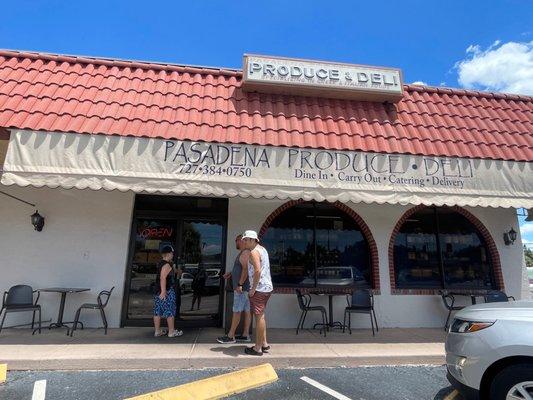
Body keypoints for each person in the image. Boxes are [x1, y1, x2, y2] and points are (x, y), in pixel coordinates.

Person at [241, 230, 273, 356]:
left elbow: (258, 271)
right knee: (261, 315)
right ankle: (264, 343)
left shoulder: (253, 252)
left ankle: (257, 348)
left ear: (252, 240)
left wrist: (253, 289)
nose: (244, 242)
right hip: (266, 287)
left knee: (259, 317)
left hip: (259, 289)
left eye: (246, 239)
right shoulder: (262, 249)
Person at [217, 234, 252, 344]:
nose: (235, 242)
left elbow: (246, 270)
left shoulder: (245, 252)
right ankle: (245, 335)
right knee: (246, 311)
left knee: (237, 311)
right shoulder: (243, 253)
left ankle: (231, 336)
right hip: (244, 288)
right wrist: (231, 274)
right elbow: (241, 269)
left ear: (241, 240)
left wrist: (239, 284)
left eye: (236, 240)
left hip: (242, 288)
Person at [153, 245, 183, 338]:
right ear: (168, 254)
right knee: (170, 310)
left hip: (158, 290)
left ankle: (157, 331)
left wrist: (176, 269)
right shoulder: (166, 265)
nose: (173, 255)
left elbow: (177, 272)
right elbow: (163, 278)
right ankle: (171, 331)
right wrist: (163, 291)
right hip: (167, 291)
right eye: (172, 253)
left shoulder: (162, 263)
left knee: (157, 311)